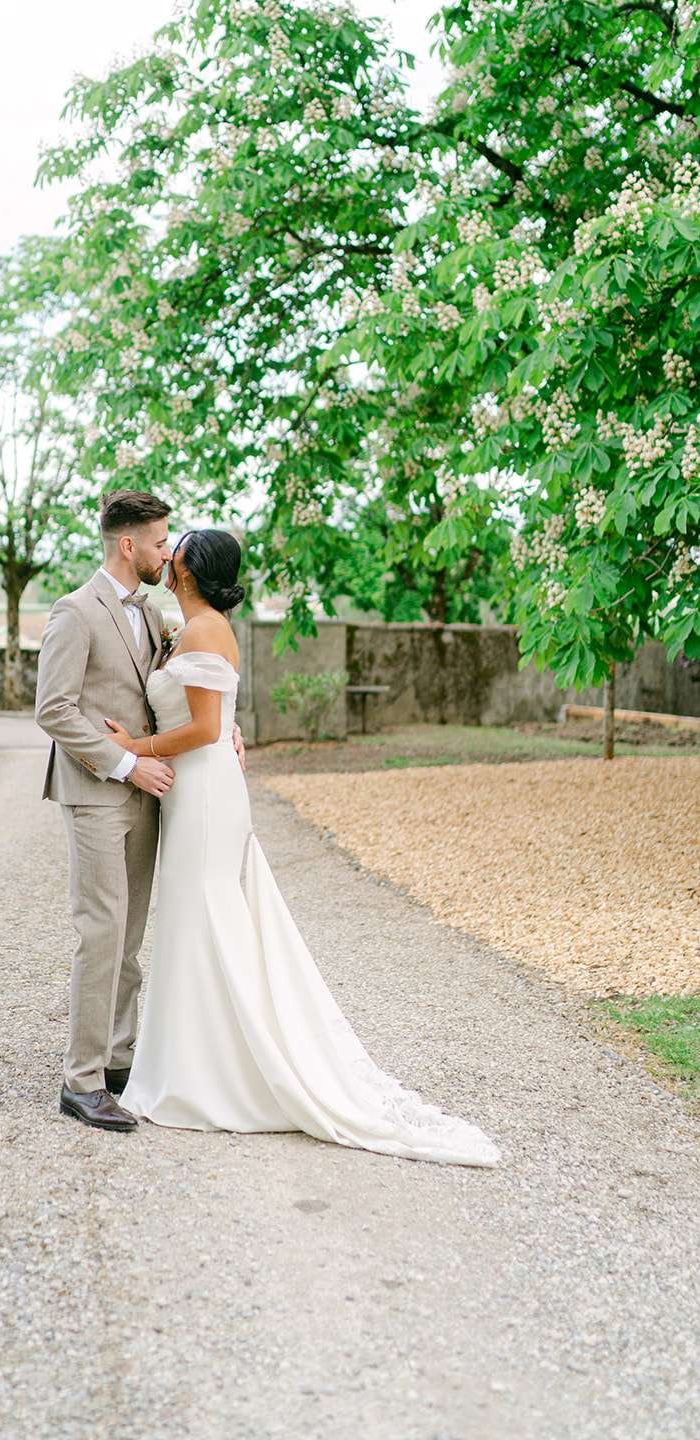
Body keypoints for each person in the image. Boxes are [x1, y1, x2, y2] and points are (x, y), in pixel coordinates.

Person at [105, 528, 501, 1167]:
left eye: (173, 547)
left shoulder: (206, 632)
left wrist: (135, 747)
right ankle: (192, 1059)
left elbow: (204, 727)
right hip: (197, 793)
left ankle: (214, 1074)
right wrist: (219, 728)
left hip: (205, 796)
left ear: (185, 570)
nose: (166, 552)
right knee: (190, 923)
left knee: (202, 916)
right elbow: (217, 714)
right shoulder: (190, 627)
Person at [34, 491, 245, 1133]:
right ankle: (81, 1079)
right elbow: (54, 709)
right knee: (99, 932)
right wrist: (127, 763)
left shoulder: (154, 614)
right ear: (129, 545)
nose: (166, 552)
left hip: (152, 797)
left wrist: (225, 727)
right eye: (159, 542)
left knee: (128, 940)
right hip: (99, 792)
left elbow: (182, 691)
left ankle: (118, 1060)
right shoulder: (75, 613)